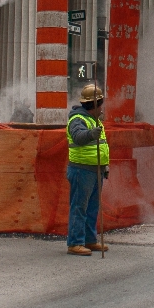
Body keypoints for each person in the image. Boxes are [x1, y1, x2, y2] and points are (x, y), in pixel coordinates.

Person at [65, 84, 109, 256]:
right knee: (79, 207)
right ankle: (75, 243)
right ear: (95, 105)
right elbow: (79, 137)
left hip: (95, 169)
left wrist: (104, 166)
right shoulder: (77, 119)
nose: (102, 108)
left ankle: (89, 240)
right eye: (101, 104)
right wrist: (92, 134)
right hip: (81, 170)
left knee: (91, 208)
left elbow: (102, 146)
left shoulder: (95, 121)